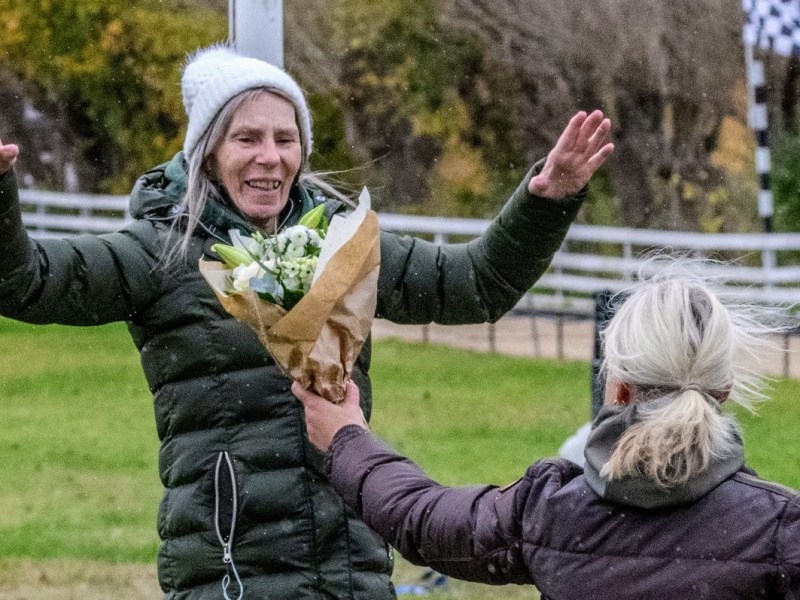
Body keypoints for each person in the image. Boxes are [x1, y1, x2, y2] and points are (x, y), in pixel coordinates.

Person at [0, 44, 613, 600]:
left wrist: (547, 199)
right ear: (208, 150)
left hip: (353, 567)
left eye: (285, 138)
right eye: (247, 138)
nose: (270, 157)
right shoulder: (159, 250)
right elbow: (27, 282)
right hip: (228, 573)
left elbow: (476, 286)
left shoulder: (342, 246)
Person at [295, 266, 800, 600]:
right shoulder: (781, 530)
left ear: (618, 388)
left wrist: (347, 439)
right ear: (724, 393)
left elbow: (421, 519)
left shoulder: (549, 510)